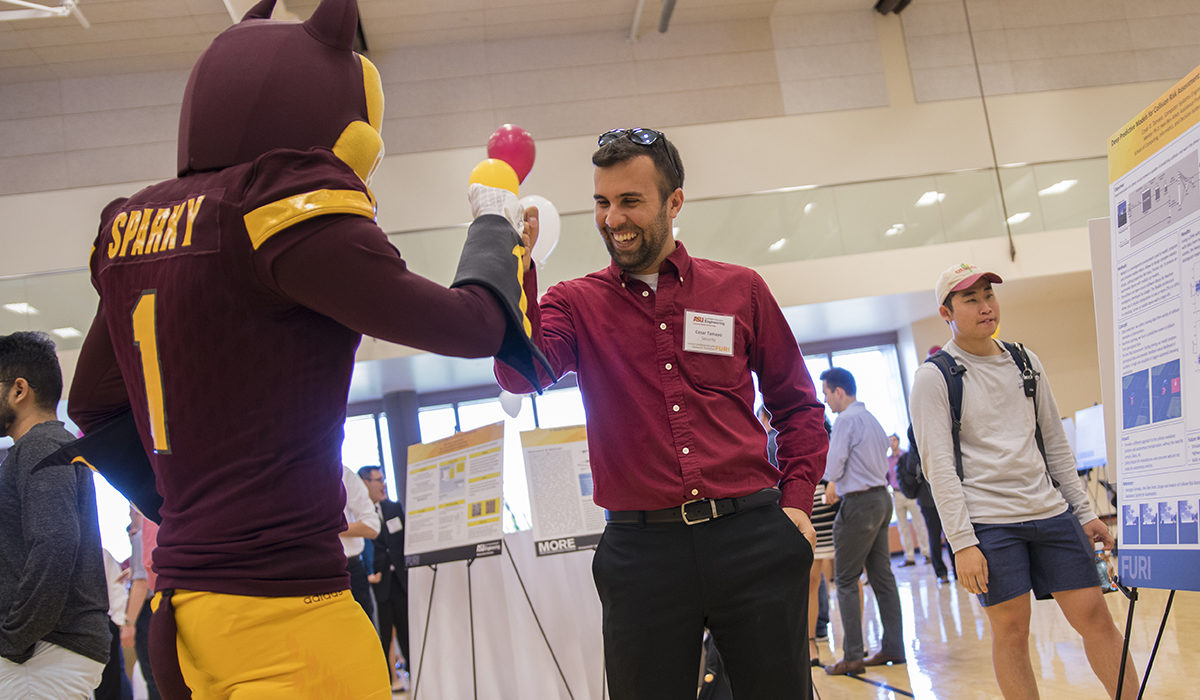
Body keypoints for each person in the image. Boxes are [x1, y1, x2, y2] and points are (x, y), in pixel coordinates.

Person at [64, 0, 547, 697]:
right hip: (289, 618)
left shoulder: (132, 226)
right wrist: (495, 218)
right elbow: (475, 327)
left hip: (183, 615)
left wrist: (196, 509)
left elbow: (96, 407)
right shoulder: (277, 203)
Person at [494, 127, 829, 698]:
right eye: (602, 202)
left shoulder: (741, 290)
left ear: (674, 202)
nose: (612, 218)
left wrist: (796, 503)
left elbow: (797, 405)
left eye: (630, 201)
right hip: (642, 555)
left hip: (751, 538)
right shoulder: (574, 303)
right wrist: (514, 266)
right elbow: (520, 374)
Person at [910, 262, 1138, 699]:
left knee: (1096, 617)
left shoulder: (1025, 361)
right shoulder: (934, 377)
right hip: (990, 525)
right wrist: (962, 543)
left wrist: (1085, 512)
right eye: (970, 299)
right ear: (947, 312)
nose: (985, 307)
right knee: (1012, 632)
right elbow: (938, 468)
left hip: (1051, 513)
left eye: (989, 296)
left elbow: (1054, 444)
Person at [0, 331, 109, 698]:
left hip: (42, 655)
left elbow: (56, 542)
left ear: (18, 390)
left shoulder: (41, 445)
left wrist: (13, 639)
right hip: (42, 653)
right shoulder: (40, 448)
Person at [819, 367, 906, 676]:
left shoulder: (845, 420)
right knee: (883, 578)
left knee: (843, 580)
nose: (826, 400)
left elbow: (835, 462)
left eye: (827, 393)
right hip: (881, 499)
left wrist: (830, 483)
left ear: (839, 392)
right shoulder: (872, 418)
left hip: (858, 504)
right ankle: (895, 647)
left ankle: (853, 655)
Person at [359, 466, 410, 692]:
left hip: (399, 581)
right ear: (364, 483)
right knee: (382, 635)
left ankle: (415, 672)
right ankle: (386, 681)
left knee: (407, 630)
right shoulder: (357, 515)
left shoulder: (393, 507)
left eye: (383, 479)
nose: (383, 484)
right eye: (378, 480)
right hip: (376, 585)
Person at [341, 465, 380, 620]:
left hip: (350, 572)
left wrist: (325, 526)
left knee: (364, 635)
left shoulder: (342, 473)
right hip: (305, 575)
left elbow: (372, 527)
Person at [888, 433, 927, 567]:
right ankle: (909, 557)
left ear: (898, 441)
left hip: (910, 495)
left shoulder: (906, 456)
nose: (892, 443)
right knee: (903, 528)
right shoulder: (888, 461)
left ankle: (926, 553)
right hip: (897, 495)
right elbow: (886, 478)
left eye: (894, 440)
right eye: (890, 441)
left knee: (919, 524)